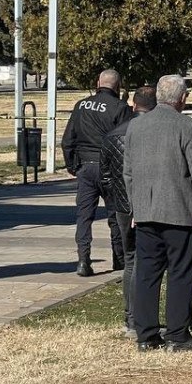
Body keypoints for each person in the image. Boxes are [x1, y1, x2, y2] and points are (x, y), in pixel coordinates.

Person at [123, 74, 192, 352]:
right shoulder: (187, 126)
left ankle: (146, 335)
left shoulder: (136, 127)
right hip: (180, 211)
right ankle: (177, 334)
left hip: (146, 212)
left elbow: (128, 173)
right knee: (181, 272)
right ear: (182, 98)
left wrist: (134, 207)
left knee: (147, 273)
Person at [62, 69, 133, 277]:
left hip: (85, 167)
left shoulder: (81, 105)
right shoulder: (120, 108)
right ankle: (118, 259)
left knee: (84, 217)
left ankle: (83, 260)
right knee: (115, 215)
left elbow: (68, 139)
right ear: (118, 87)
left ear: (97, 83)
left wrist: (71, 165)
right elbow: (125, 141)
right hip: (110, 168)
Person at [100, 85, 157, 337]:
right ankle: (145, 318)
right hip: (151, 203)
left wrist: (117, 200)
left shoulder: (114, 135)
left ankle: (131, 317)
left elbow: (105, 176)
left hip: (123, 206)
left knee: (131, 260)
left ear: (133, 105)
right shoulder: (155, 133)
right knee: (151, 262)